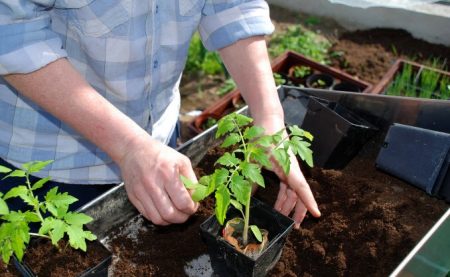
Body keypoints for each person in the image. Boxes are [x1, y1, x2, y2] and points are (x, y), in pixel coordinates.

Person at [0, 0, 320, 229]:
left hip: (159, 146)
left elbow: (231, 6)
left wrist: (269, 120)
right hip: (49, 166)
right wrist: (128, 147)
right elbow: (12, 30)